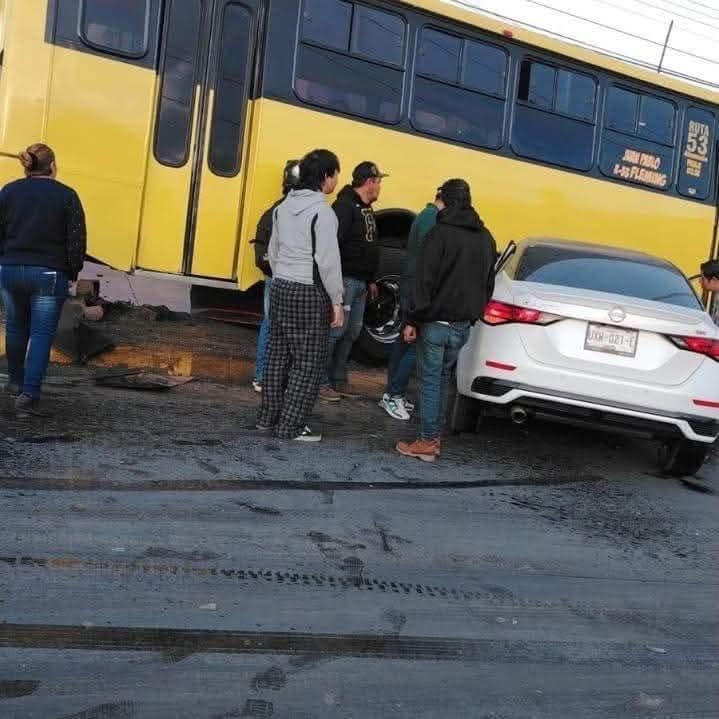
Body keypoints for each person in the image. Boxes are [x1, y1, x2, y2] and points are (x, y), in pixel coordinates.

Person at [396, 179, 496, 462]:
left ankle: (427, 441)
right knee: (441, 379)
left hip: (436, 323)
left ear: (446, 200)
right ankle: (434, 437)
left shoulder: (439, 234)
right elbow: (488, 284)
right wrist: (474, 314)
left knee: (430, 380)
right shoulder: (486, 238)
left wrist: (412, 320)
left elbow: (423, 282)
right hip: (462, 326)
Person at [256, 149, 344, 442]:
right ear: (325, 176)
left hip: (281, 286)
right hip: (308, 291)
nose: (336, 181)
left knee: (277, 356)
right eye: (335, 175)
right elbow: (328, 262)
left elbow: (274, 252)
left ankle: (267, 418)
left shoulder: (282, 208)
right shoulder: (323, 213)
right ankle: (290, 426)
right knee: (307, 363)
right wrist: (336, 301)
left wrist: (283, 275)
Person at [0, 143, 86, 417]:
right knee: (41, 334)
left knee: (15, 328)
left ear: (27, 166)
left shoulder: (8, 191)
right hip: (49, 273)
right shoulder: (67, 196)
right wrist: (72, 272)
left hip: (10, 269)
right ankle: (28, 394)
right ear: (53, 166)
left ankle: (15, 382)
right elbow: (76, 240)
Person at [320, 161, 387, 402]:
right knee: (335, 331)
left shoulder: (366, 208)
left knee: (352, 333)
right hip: (346, 280)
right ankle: (320, 382)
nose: (380, 187)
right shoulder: (344, 207)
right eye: (378, 182)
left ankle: (338, 379)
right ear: (369, 182)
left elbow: (369, 246)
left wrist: (371, 279)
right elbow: (333, 245)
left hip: (361, 283)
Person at [379, 190, 445, 421]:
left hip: (410, 285)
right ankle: (394, 394)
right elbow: (431, 258)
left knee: (402, 341)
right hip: (418, 289)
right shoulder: (432, 219)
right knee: (414, 343)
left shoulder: (425, 215)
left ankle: (391, 392)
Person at [251, 159, 301, 393]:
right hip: (287, 279)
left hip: (275, 277)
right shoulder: (295, 214)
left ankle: (263, 376)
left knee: (271, 325)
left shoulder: (275, 210)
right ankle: (266, 376)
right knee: (279, 327)